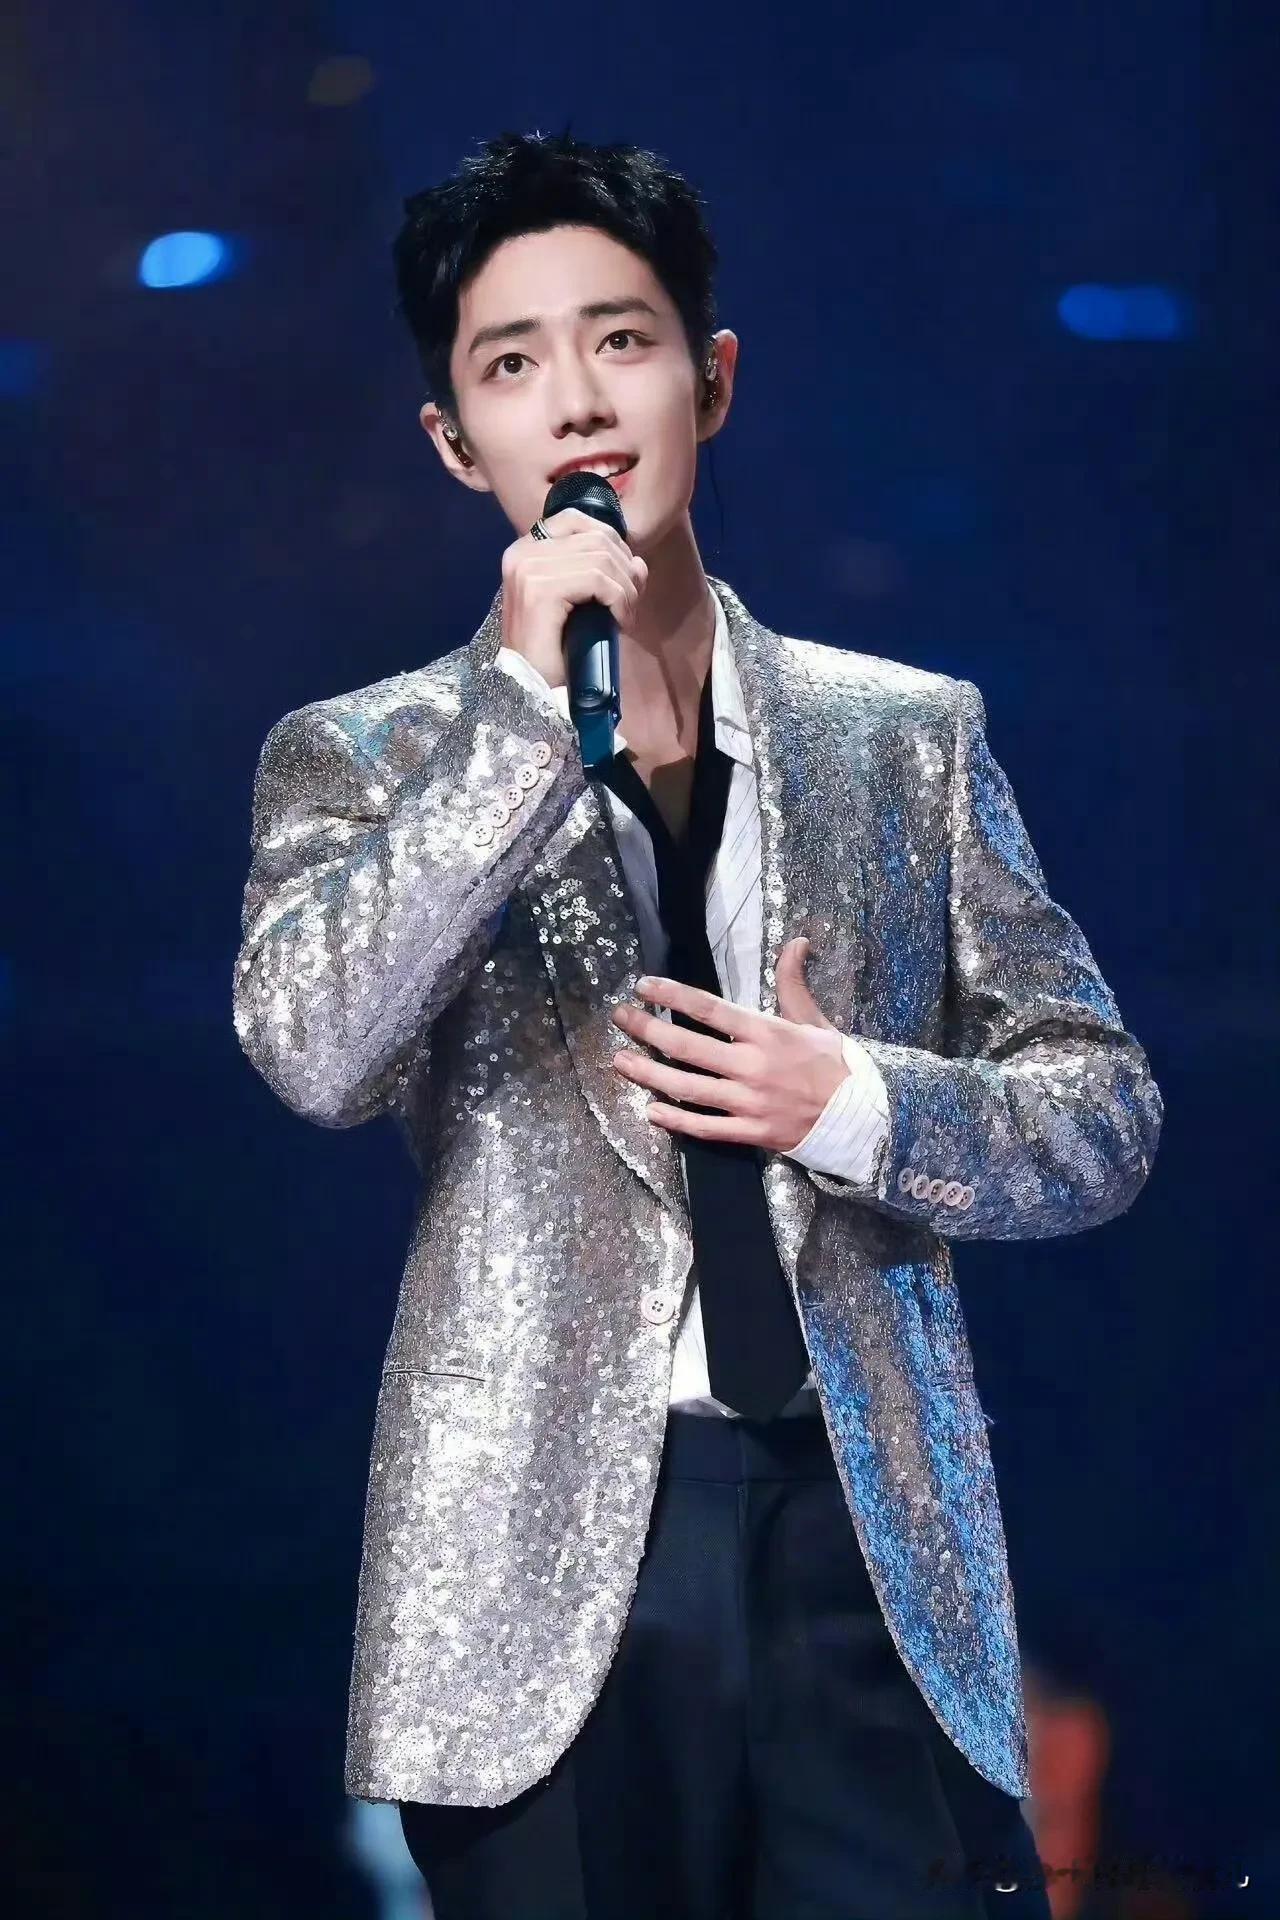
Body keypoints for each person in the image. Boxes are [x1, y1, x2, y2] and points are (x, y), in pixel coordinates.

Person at [232, 130, 1164, 1920]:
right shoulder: (364, 755)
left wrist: (855, 1101)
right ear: (456, 440)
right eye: (513, 364)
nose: (579, 401)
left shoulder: (904, 737)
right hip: (539, 1581)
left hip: (866, 1549)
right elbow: (316, 1052)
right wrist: (521, 722)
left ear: (711, 378)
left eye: (622, 340)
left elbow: (1102, 1113)